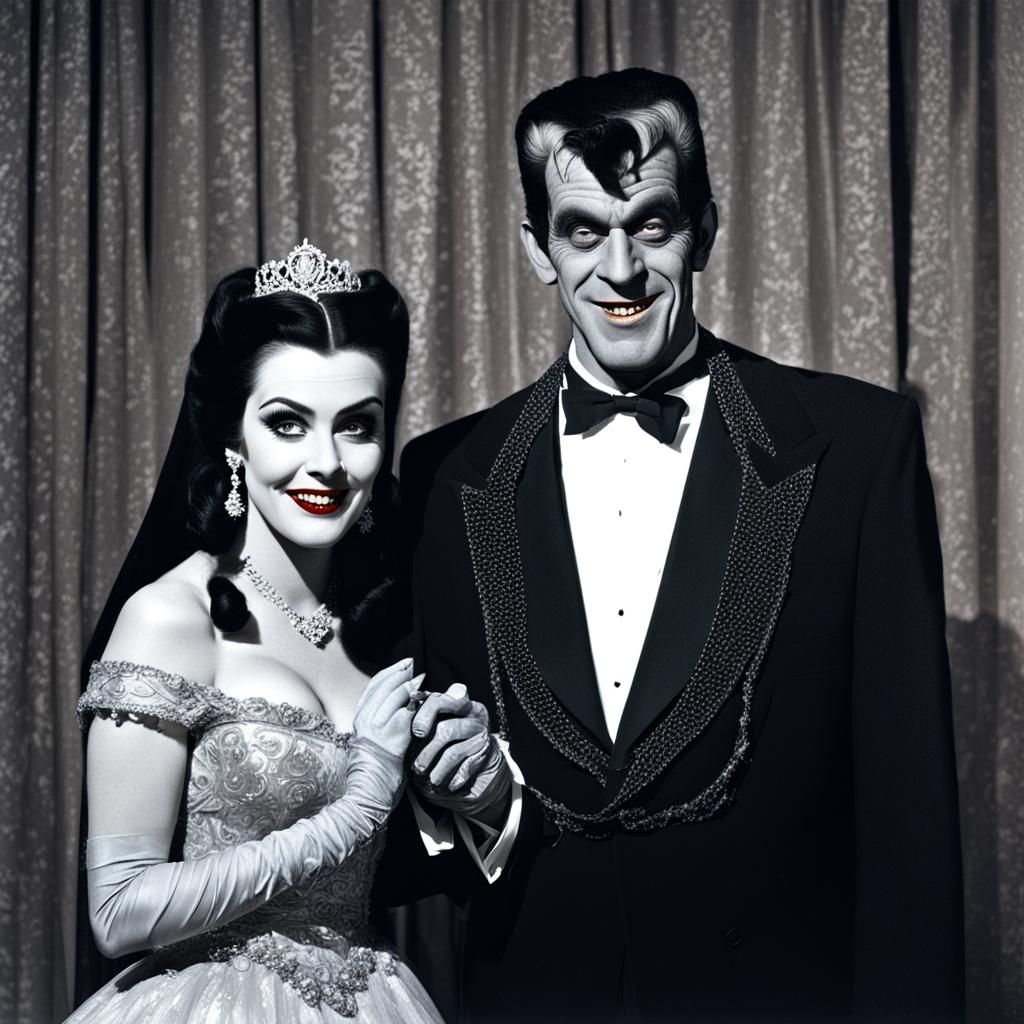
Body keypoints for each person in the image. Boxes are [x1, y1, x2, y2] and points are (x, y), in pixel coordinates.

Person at [399, 68, 965, 1023]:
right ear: (537, 248)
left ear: (704, 225)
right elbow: (419, 819)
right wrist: (479, 804)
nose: (620, 270)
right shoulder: (446, 476)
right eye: (584, 232)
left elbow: (909, 831)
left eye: (651, 226)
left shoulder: (861, 450)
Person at [67, 241, 445, 1023]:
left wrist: (467, 782)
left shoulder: (387, 618)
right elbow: (119, 910)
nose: (327, 463)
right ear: (234, 438)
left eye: (357, 426)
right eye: (287, 423)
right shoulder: (171, 618)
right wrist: (353, 810)